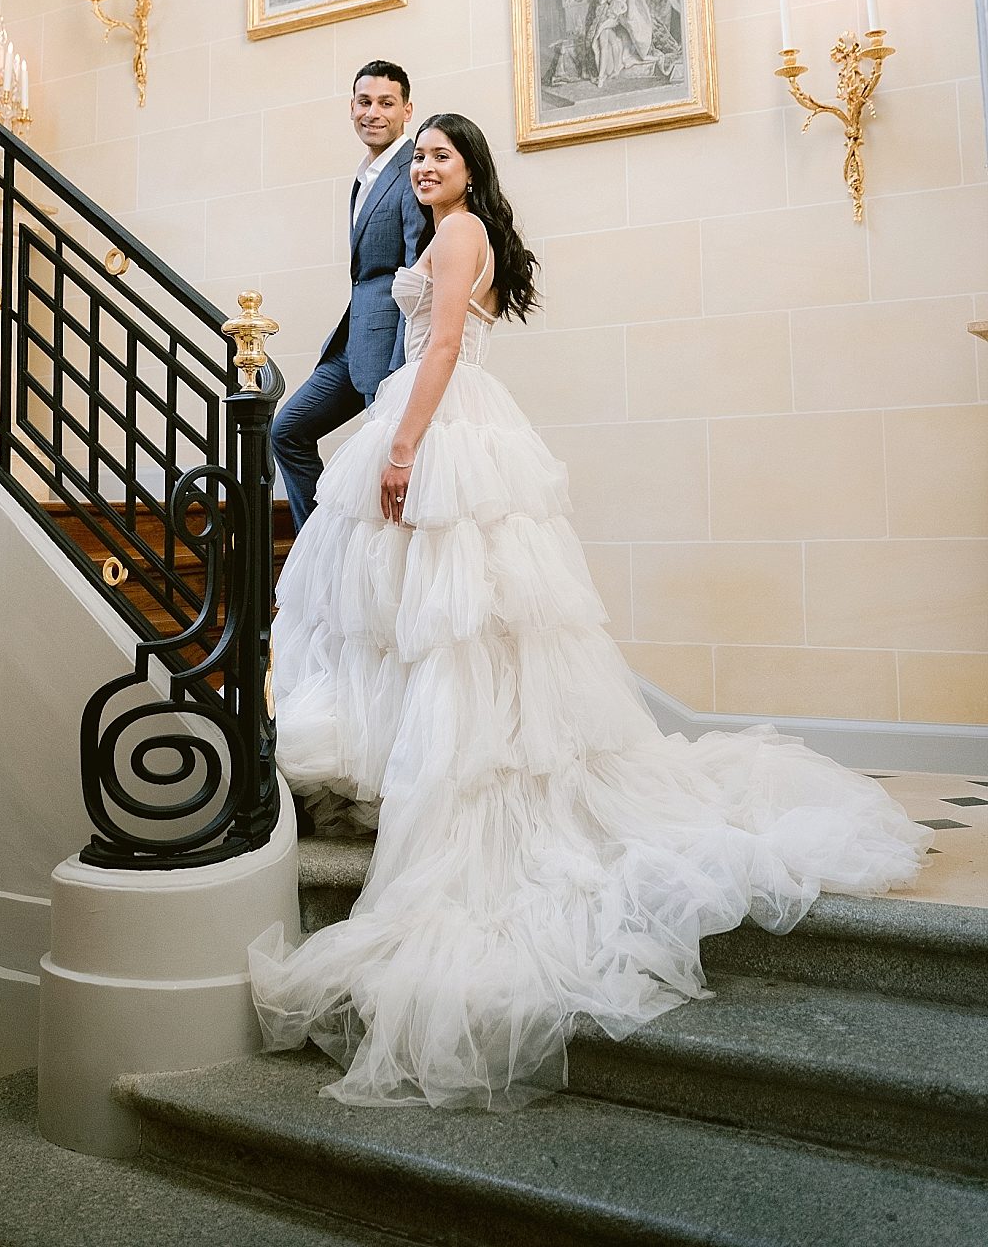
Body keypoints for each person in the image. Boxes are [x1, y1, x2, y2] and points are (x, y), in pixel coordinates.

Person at [249, 113, 928, 1111]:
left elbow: (438, 349)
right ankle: (408, 753)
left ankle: (458, 765)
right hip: (432, 412)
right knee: (417, 614)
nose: (426, 167)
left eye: (441, 154)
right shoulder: (443, 232)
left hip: (436, 420)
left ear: (470, 169)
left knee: (452, 615)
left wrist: (399, 451)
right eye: (421, 157)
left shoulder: (461, 231)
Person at [270, 61, 426, 534]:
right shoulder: (365, 174)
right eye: (364, 102)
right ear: (352, 108)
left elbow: (417, 277)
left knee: (383, 472)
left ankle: (356, 573)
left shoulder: (412, 172)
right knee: (288, 430)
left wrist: (403, 367)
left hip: (389, 352)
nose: (373, 112)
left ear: (406, 110)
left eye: (386, 103)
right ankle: (321, 549)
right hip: (352, 342)